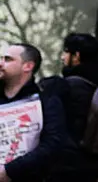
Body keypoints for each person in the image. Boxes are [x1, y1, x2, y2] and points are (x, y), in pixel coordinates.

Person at [41, 33, 98, 182]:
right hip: (93, 170)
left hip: (63, 169)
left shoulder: (66, 87)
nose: (63, 57)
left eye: (65, 52)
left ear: (76, 56)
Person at [0, 43, 69, 182]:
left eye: (8, 59)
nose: (1, 63)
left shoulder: (46, 102)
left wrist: (9, 171)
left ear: (28, 66)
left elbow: (52, 145)